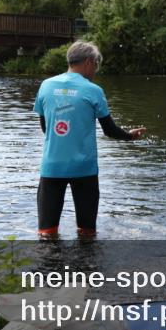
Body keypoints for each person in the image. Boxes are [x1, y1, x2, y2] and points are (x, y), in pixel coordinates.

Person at [32, 41, 146, 237]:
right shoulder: (93, 90)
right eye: (96, 65)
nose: (96, 70)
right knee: (87, 232)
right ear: (88, 62)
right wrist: (129, 136)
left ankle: (49, 266)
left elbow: (46, 128)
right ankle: (86, 266)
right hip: (84, 169)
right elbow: (109, 130)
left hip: (52, 167)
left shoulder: (46, 86)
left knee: (46, 232)